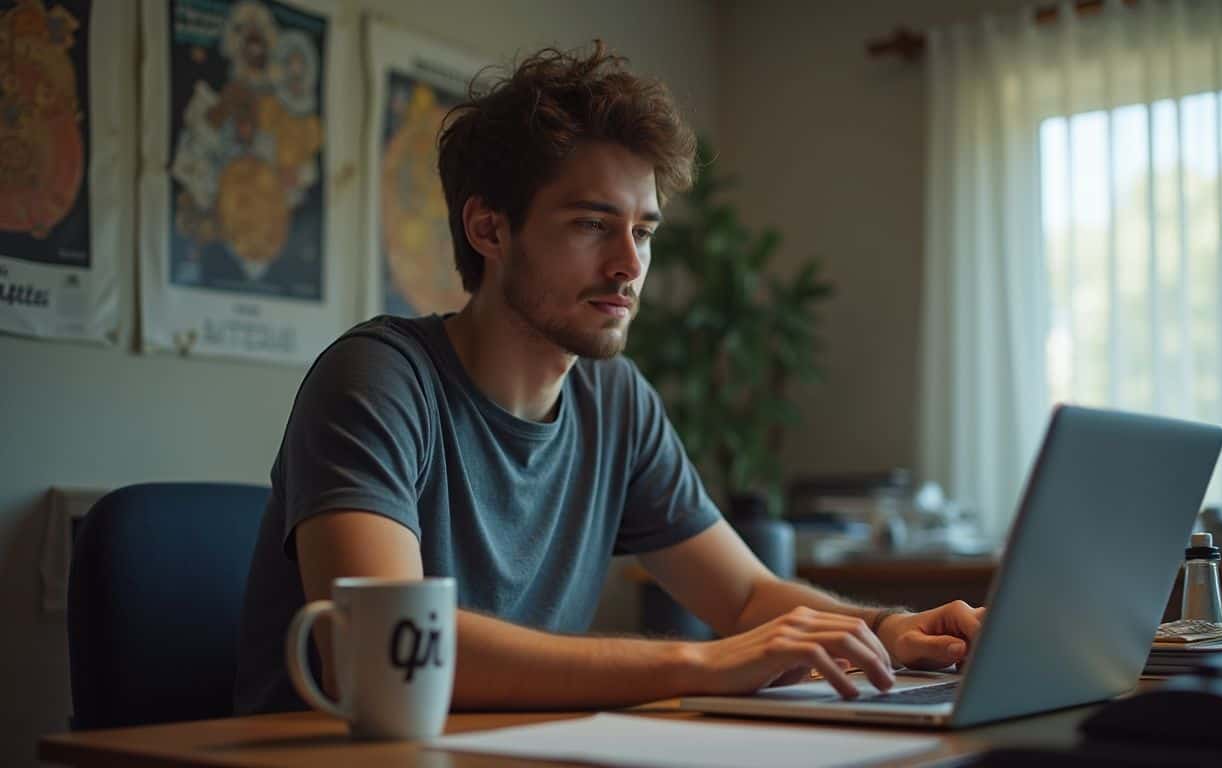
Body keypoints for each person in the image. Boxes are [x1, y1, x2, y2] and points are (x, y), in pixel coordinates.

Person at [234, 42, 983, 716]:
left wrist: (887, 630)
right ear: (489, 229)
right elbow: (377, 651)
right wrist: (703, 661)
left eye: (644, 231)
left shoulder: (613, 398)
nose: (629, 265)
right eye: (593, 224)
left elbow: (748, 595)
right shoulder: (378, 380)